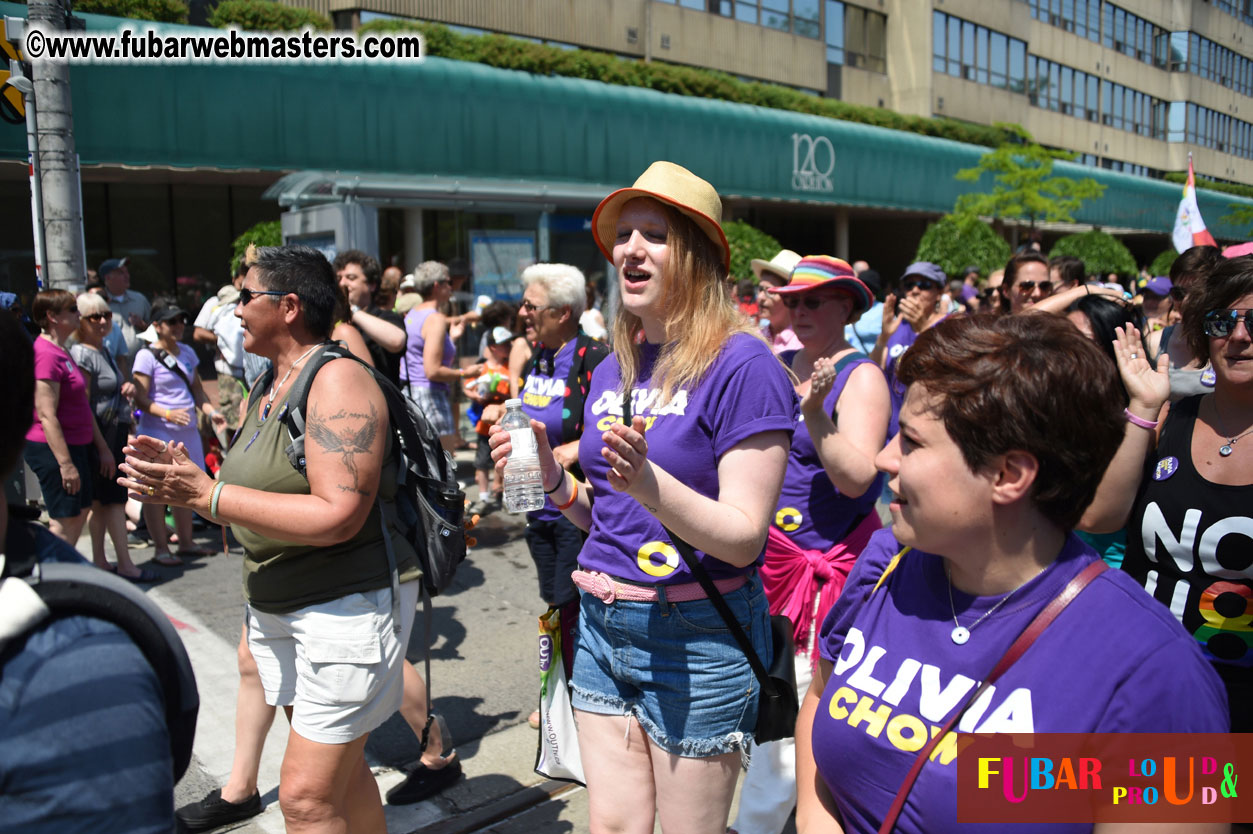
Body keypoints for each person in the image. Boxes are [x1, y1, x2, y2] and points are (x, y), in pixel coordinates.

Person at [796, 313, 1230, 834]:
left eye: (910, 441)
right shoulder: (885, 560)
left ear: (1009, 475)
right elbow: (820, 698)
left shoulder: (1164, 673)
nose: (885, 459)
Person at [492, 161, 796, 833]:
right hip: (602, 626)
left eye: (653, 234)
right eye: (624, 234)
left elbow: (745, 536)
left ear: (695, 253)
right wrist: (549, 476)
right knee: (613, 827)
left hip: (697, 636)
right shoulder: (613, 365)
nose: (630, 248)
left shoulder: (744, 365)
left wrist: (651, 485)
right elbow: (606, 514)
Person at [120, 245, 428, 833]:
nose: (232, 310)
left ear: (288, 306)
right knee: (342, 777)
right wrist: (186, 481)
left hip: (345, 604)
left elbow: (338, 513)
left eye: (244, 297)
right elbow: (251, 488)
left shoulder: (336, 379)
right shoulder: (271, 379)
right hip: (277, 604)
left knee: (306, 800)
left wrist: (206, 496)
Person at [0, 312, 176, 834]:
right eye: (85, 313)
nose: (92, 320)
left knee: (82, 516)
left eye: (98, 314)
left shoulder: (73, 667)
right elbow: (49, 412)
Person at [730, 256, 888, 834]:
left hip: (825, 572)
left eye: (813, 301)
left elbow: (858, 479)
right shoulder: (778, 361)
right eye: (793, 301)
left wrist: (815, 413)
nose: (799, 311)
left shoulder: (862, 375)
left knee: (793, 708)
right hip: (765, 562)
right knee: (764, 699)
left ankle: (757, 825)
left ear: (846, 307)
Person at [1081, 255, 1253, 733]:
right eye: (1222, 321)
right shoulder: (1168, 415)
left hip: (1237, 704)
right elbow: (1100, 518)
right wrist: (1141, 405)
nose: (1239, 336)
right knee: (1014, 787)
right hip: (1138, 676)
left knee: (1208, 803)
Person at [515, 262, 611, 694]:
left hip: (577, 506)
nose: (522, 312)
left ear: (563, 313)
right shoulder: (537, 355)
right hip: (536, 504)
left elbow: (617, 421)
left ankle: (569, 696)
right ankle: (561, 691)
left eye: (531, 305)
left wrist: (576, 447)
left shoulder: (597, 358)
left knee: (568, 603)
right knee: (554, 601)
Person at [130, 300, 227, 566]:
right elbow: (140, 398)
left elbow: (196, 390)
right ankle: (161, 548)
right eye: (172, 321)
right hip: (156, 433)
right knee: (155, 492)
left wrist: (209, 411)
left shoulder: (186, 352)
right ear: (157, 326)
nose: (179, 326)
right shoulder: (146, 356)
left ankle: (186, 543)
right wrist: (168, 414)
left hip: (188, 434)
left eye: (182, 320)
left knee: (186, 487)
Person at [70, 292, 156, 582]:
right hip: (101, 436)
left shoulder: (103, 348)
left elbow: (109, 389)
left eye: (106, 314)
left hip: (112, 432)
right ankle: (125, 563)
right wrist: (103, 447)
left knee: (103, 502)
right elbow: (84, 404)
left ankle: (102, 561)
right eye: (95, 316)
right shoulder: (82, 353)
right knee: (115, 501)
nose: (103, 321)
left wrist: (127, 389)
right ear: (80, 321)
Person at [24, 289, 116, 545]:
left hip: (77, 445)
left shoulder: (61, 350)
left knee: (79, 512)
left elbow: (82, 406)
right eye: (73, 310)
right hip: (54, 449)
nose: (79, 314)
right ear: (52, 316)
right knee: (65, 519)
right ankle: (51, 577)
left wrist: (102, 447)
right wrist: (65, 465)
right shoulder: (44, 353)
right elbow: (46, 414)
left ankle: (63, 573)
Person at [403, 261, 482, 451]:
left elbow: (422, 355)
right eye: (448, 282)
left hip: (413, 393)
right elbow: (432, 371)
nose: (451, 286)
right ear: (437, 285)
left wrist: (451, 339)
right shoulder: (435, 319)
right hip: (430, 396)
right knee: (444, 466)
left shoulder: (414, 313)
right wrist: (466, 372)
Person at [871, 261, 948, 438]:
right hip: (893, 430)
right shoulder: (897, 325)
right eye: (909, 285)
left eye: (924, 285)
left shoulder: (951, 324)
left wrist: (924, 330)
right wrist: (883, 337)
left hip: (932, 430)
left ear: (939, 293)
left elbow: (948, 373)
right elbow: (874, 369)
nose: (915, 290)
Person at [1146, 244, 1226, 401]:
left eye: (1197, 293)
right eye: (1178, 293)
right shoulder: (1154, 343)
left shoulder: (1236, 344)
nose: (1187, 301)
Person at [334, 249, 407, 385]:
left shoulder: (386, 316)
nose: (342, 283)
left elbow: (397, 341)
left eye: (351, 278)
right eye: (338, 278)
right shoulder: (332, 322)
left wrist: (352, 311)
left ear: (372, 285)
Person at [464, 326, 515, 515]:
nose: (509, 347)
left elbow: (515, 392)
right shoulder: (481, 367)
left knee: (506, 460)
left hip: (505, 424)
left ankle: (507, 495)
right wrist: (476, 396)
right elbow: (467, 386)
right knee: (482, 462)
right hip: (484, 425)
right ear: (493, 347)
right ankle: (484, 498)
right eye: (504, 344)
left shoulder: (510, 367)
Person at [192, 261, 247, 432]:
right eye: (243, 278)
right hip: (229, 372)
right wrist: (221, 341)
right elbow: (198, 333)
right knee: (233, 423)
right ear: (234, 278)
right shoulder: (215, 303)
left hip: (252, 371)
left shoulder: (253, 299)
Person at [101, 257, 151, 374]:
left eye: (127, 272)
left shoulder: (139, 299)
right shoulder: (100, 303)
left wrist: (142, 325)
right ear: (108, 278)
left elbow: (156, 329)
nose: (127, 275)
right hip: (112, 369)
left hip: (141, 367)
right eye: (121, 273)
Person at [751, 248, 803, 354]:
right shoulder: (755, 337)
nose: (760, 297)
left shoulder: (804, 343)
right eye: (760, 289)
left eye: (770, 291)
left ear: (791, 297)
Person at [1001, 251, 1054, 315]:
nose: (1037, 293)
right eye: (1027, 286)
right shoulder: (993, 325)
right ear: (1006, 290)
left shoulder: (1062, 324)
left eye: (1044, 286)